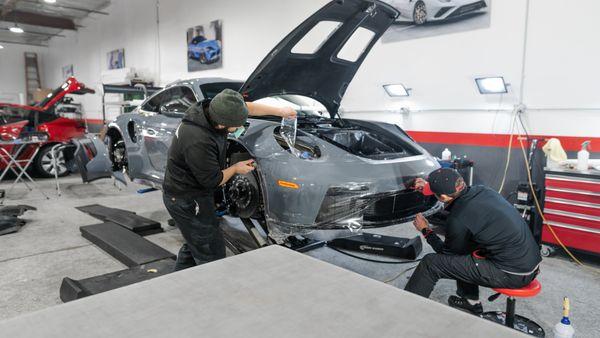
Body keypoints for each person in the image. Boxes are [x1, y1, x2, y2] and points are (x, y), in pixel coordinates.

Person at [162, 89, 296, 271]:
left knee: (196, 241)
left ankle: (177, 279)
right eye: (238, 125)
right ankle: (211, 291)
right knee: (212, 253)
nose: (241, 126)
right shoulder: (198, 140)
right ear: (221, 124)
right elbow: (212, 180)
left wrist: (280, 111)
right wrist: (235, 168)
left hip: (191, 193)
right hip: (186, 198)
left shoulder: (215, 108)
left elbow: (247, 108)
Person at [404, 168, 542, 315]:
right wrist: (427, 185)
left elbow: (447, 255)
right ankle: (471, 302)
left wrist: (426, 230)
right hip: (530, 263)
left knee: (431, 263)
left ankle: (407, 312)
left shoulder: (458, 219)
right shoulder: (482, 190)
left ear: (443, 197)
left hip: (512, 274)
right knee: (466, 246)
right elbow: (460, 218)